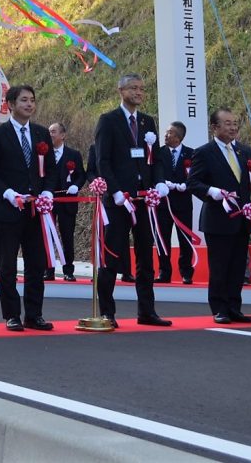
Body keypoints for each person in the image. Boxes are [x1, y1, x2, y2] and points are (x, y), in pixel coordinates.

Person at [94, 74, 172, 327]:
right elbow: (102, 161)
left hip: (144, 200)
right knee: (112, 255)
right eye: (133, 88)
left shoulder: (148, 122)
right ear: (121, 90)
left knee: (145, 256)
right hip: (118, 201)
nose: (139, 92)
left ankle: (147, 311)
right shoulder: (108, 121)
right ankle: (107, 311)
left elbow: (156, 157)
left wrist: (158, 181)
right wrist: (115, 191)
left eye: (142, 88)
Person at [0, 85, 58, 331]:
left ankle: (34, 314)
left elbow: (51, 170)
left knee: (36, 264)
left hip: (36, 211)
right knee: (8, 265)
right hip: (8, 210)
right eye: (24, 100)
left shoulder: (41, 134)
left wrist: (46, 191)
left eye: (32, 100)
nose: (29, 104)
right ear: (11, 104)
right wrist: (9, 194)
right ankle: (12, 314)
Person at [187, 108, 251, 324]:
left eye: (235, 123)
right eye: (227, 123)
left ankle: (235, 307)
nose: (233, 127)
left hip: (242, 218)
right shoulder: (204, 152)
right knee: (220, 266)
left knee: (236, 267)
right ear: (214, 127)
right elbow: (193, 183)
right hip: (218, 219)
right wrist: (212, 192)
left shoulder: (245, 151)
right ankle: (219, 308)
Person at [46, 122, 86, 281]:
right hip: (47, 203)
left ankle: (68, 270)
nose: (50, 135)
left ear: (63, 135)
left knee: (67, 236)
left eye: (53, 132)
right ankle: (48, 270)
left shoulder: (73, 154)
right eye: (49, 132)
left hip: (67, 202)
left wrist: (76, 186)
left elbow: (81, 175)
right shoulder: (43, 154)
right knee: (47, 236)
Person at [156, 121, 194, 284]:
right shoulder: (158, 153)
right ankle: (164, 272)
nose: (166, 135)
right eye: (166, 132)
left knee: (185, 239)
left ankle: (186, 272)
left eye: (170, 132)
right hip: (163, 204)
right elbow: (154, 173)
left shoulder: (191, 154)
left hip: (183, 203)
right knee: (162, 239)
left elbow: (197, 176)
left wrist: (186, 185)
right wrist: (162, 183)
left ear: (178, 137)